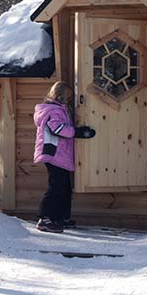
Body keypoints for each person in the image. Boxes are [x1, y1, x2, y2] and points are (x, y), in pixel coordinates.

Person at [33, 81, 95, 233]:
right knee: (56, 187)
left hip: (59, 154)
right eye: (67, 97)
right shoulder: (53, 111)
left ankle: (60, 217)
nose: (69, 100)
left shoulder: (59, 109)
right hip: (53, 153)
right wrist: (78, 132)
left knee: (65, 187)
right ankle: (45, 218)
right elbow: (57, 129)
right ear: (60, 96)